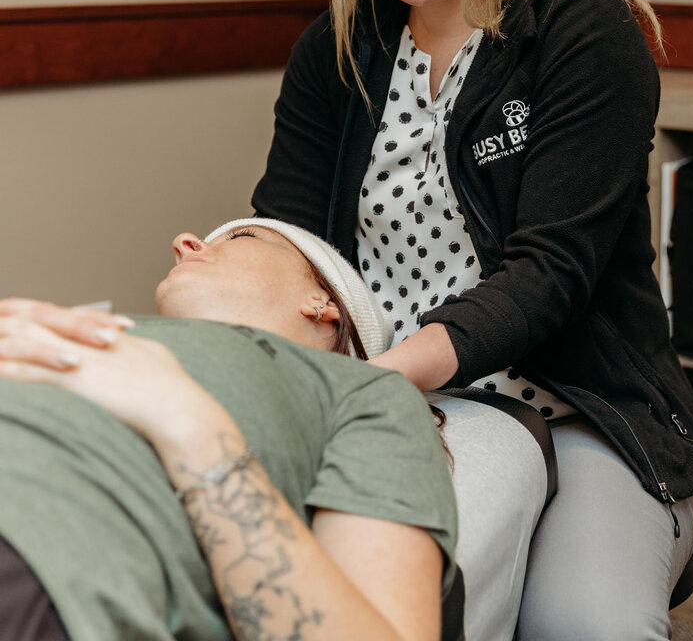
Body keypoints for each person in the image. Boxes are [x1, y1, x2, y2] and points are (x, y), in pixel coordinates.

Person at [246, 0, 693, 641]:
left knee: (584, 628)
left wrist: (390, 379)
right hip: (389, 400)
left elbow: (550, 276)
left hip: (579, 413)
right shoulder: (338, 51)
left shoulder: (584, 34)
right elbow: (290, 241)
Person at [0, 218, 458, 641]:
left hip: (33, 554)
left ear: (323, 302)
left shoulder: (367, 391)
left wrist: (184, 419)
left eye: (240, 237)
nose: (183, 243)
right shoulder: (105, 333)